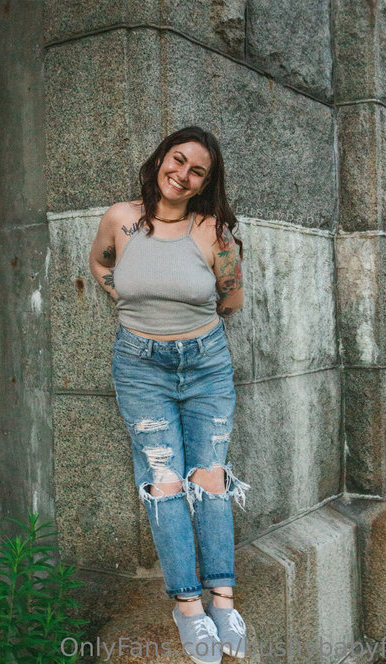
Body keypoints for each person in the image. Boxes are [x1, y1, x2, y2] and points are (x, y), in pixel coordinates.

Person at [89, 126, 251, 664]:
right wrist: (126, 298)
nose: (181, 175)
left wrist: (187, 324)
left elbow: (231, 299)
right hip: (140, 367)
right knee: (164, 481)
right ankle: (187, 605)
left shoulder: (215, 232)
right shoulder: (121, 219)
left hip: (206, 366)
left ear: (206, 182)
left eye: (196, 171)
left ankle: (223, 600)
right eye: (177, 160)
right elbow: (101, 262)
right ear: (161, 158)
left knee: (210, 477)